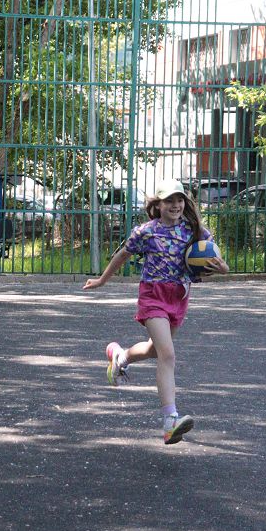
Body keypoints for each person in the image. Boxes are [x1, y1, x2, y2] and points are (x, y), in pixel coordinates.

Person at [83, 179, 229, 445]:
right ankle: (170, 421)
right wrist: (102, 280)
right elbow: (122, 255)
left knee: (155, 350)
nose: (175, 205)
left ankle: (120, 357)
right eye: (169, 201)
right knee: (168, 354)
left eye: (179, 200)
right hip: (153, 295)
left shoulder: (194, 230)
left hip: (179, 296)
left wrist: (222, 269)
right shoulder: (146, 232)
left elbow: (217, 261)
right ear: (158, 205)